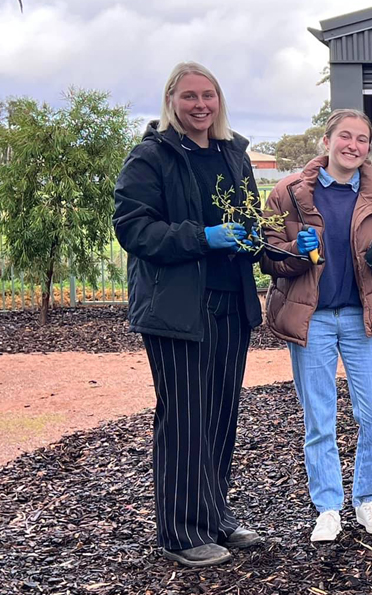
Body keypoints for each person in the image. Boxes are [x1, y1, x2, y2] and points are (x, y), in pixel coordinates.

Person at [113, 62, 264, 567]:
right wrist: (201, 237)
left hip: (230, 301)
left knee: (220, 415)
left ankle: (214, 514)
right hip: (178, 307)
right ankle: (181, 532)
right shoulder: (151, 157)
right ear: (171, 101)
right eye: (190, 97)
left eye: (209, 96)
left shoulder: (232, 155)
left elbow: (249, 223)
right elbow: (134, 229)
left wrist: (271, 244)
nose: (201, 105)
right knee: (184, 417)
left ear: (219, 101)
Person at [260, 109, 372, 543]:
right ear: (327, 141)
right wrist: (293, 251)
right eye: (346, 136)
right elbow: (267, 255)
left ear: (368, 148)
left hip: (363, 318)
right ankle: (327, 506)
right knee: (320, 418)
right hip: (313, 318)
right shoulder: (289, 192)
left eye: (362, 140)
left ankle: (368, 498)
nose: (353, 146)